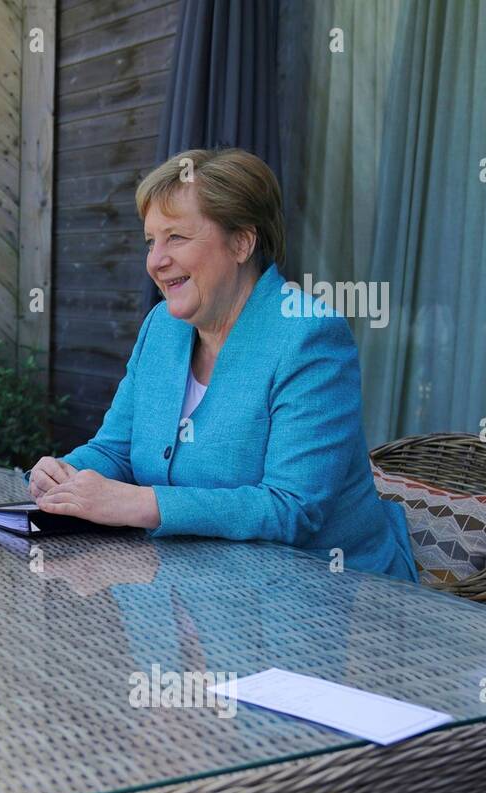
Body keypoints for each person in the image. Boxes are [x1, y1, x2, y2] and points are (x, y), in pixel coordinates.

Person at [29, 148, 417, 581]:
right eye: (151, 241)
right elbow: (115, 450)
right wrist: (66, 477)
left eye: (176, 237)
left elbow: (292, 507)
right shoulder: (162, 327)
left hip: (324, 599)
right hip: (184, 584)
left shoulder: (308, 337)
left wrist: (138, 503)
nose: (155, 260)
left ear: (241, 242)